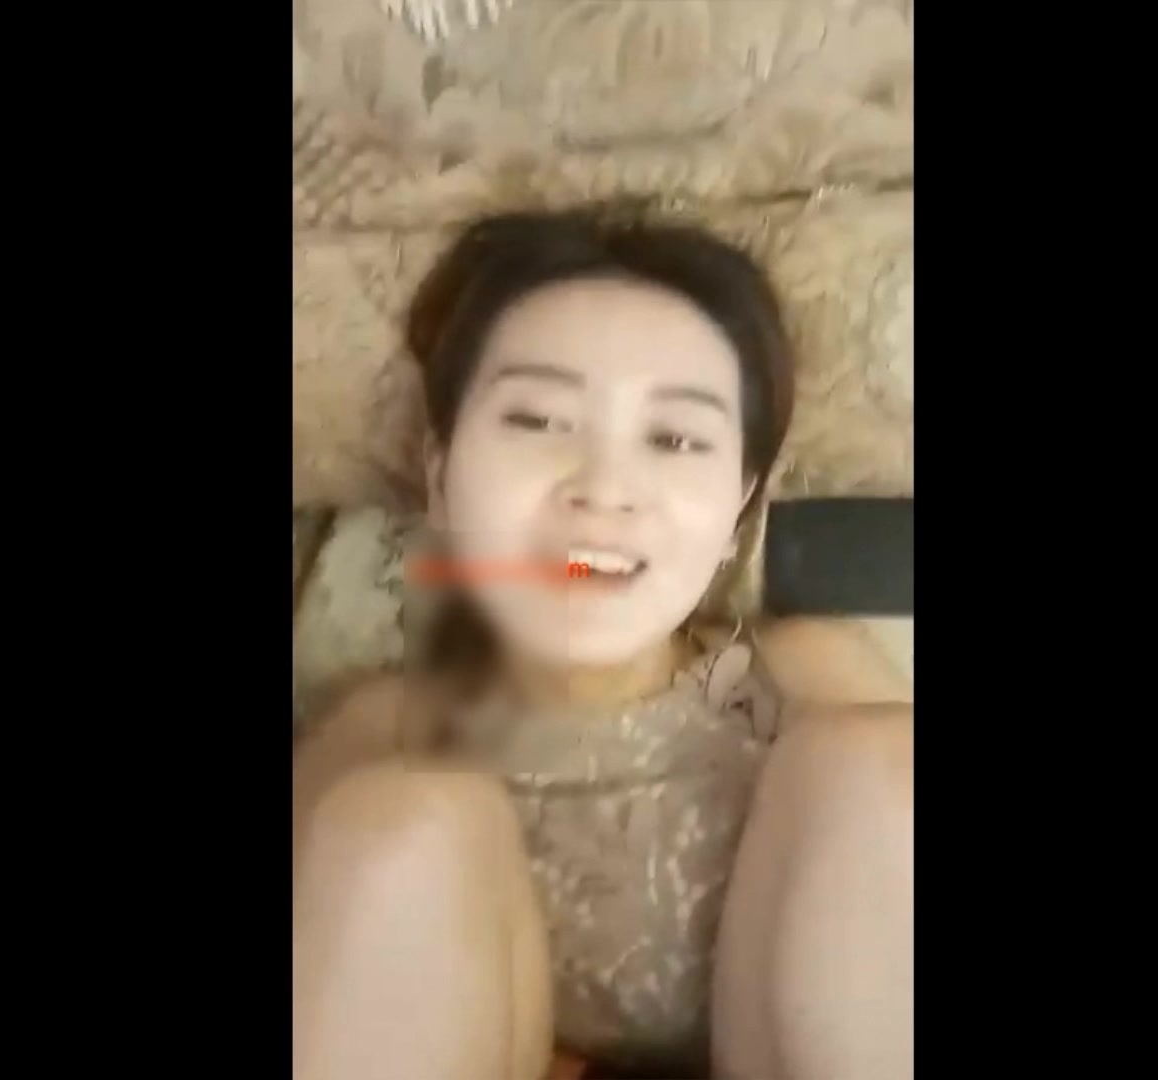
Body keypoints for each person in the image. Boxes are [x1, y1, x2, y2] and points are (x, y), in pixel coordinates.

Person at [291, 208, 913, 1080]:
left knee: (878, 758)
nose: (605, 488)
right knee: (396, 820)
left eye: (674, 438)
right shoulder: (383, 728)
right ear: (439, 476)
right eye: (538, 421)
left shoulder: (792, 683)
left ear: (740, 506)